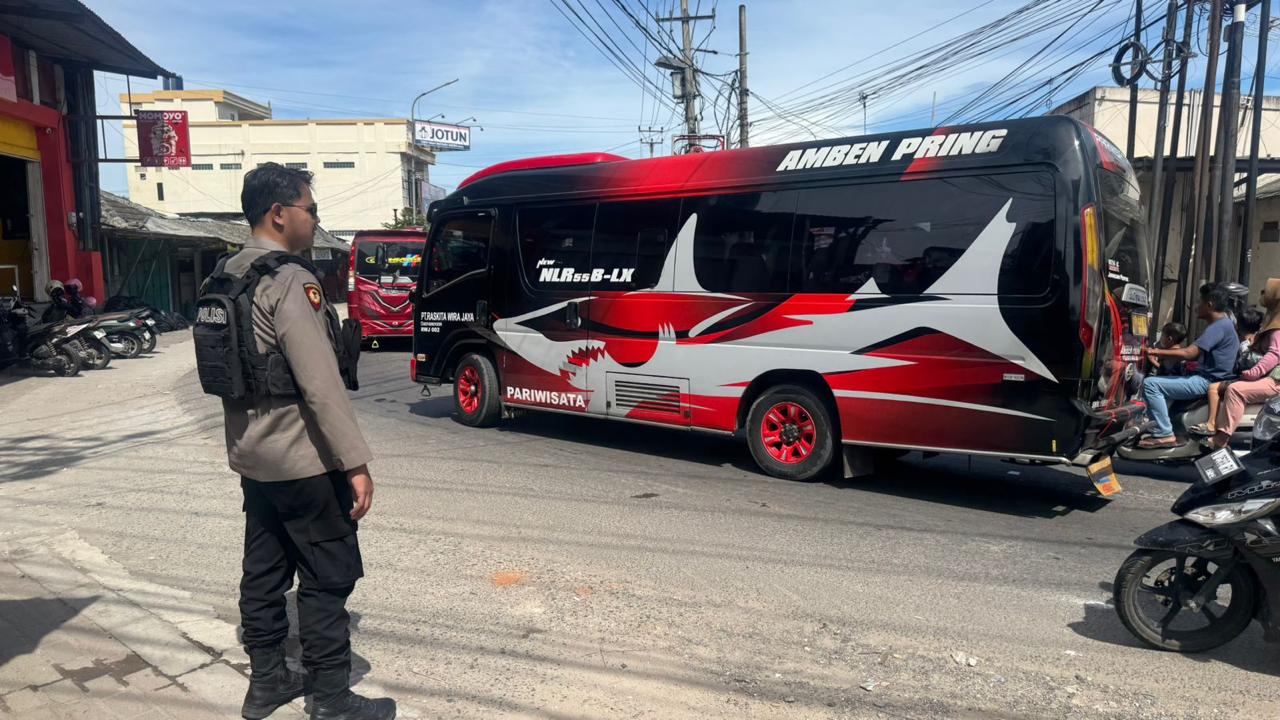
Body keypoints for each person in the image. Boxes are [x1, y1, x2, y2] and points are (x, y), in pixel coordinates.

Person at [205, 163, 394, 720]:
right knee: (327, 578)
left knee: (264, 570)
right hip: (303, 460)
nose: (315, 219)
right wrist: (355, 462)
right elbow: (320, 383)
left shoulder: (225, 275)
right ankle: (332, 701)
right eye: (310, 209)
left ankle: (267, 683)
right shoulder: (290, 279)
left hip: (253, 456)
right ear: (278, 213)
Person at [1140, 283, 1240, 448]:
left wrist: (1155, 351)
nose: (1196, 307)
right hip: (1210, 378)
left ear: (1209, 305)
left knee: (1150, 384)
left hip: (1206, 381)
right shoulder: (1225, 324)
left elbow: (1189, 353)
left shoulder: (1218, 326)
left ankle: (1164, 433)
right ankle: (1168, 429)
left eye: (1199, 302)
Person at [1211, 279, 1280, 448]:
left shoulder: (1277, 328)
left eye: (1267, 291)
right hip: (1271, 377)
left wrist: (1254, 372)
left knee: (1235, 390)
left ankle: (1221, 439)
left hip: (1276, 380)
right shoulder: (1272, 322)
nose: (1262, 294)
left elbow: (1274, 354)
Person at [1191, 308, 1264, 437]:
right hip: (1255, 378)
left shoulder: (1244, 344)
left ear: (1238, 325)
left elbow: (1248, 363)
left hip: (1248, 378)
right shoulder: (1258, 340)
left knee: (1213, 388)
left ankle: (1211, 423)